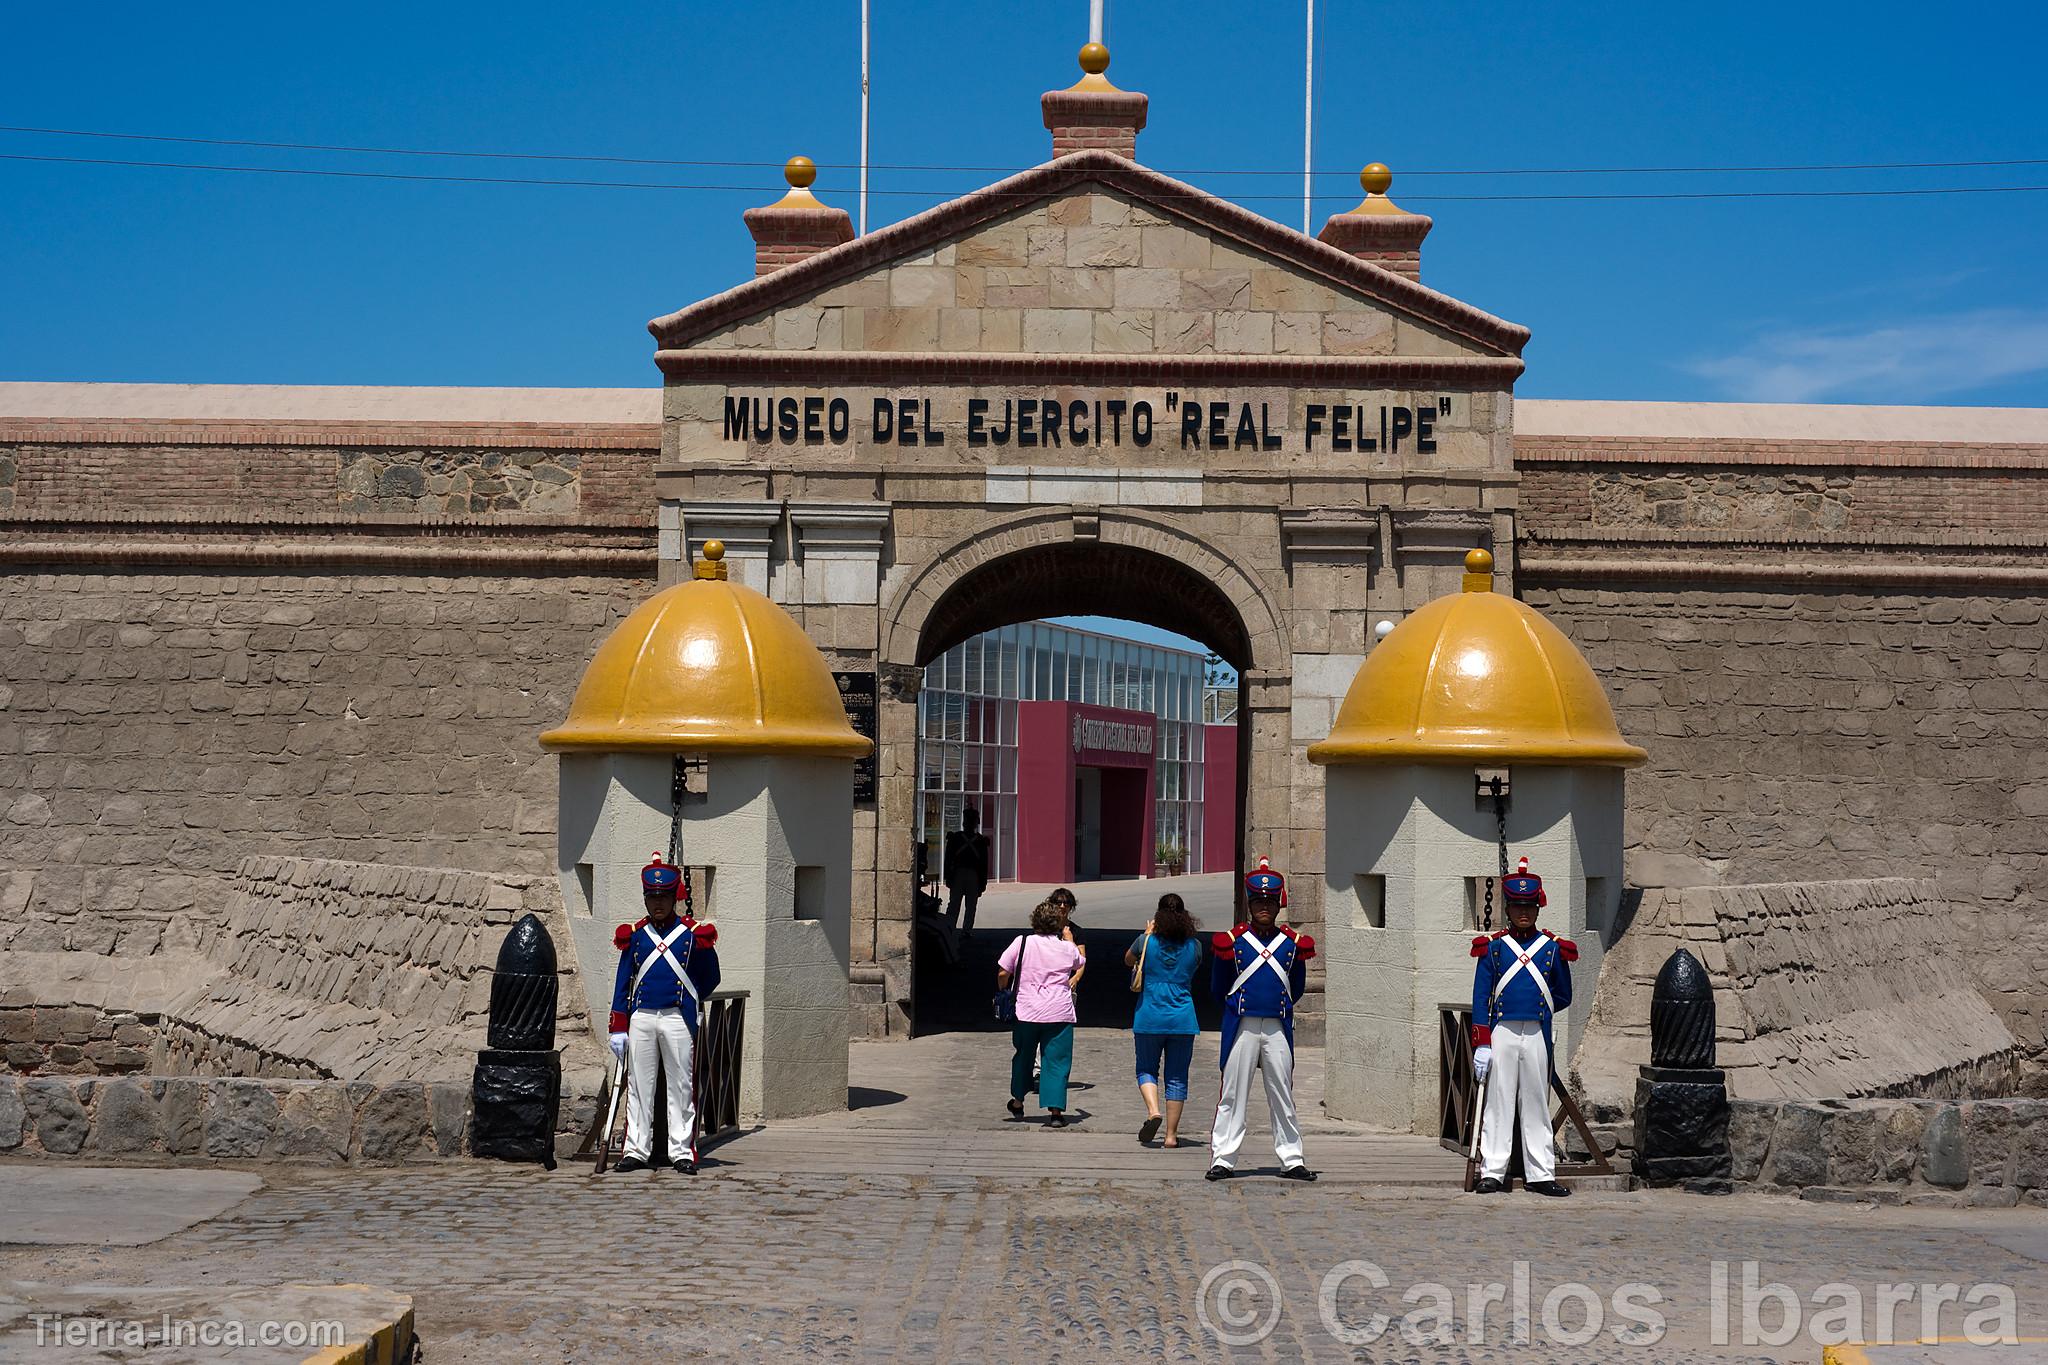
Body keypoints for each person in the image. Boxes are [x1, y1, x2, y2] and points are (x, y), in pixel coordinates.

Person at [1470, 856, 1576, 1197]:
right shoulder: (1495, 947)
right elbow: (1480, 996)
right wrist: (1482, 1042)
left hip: (1536, 1032)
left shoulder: (1552, 948)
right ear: (1509, 909)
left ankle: (1541, 1173)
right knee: (1498, 1102)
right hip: (1502, 1031)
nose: (1523, 913)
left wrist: (1539, 1011)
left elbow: (1562, 994)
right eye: (1517, 906)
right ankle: (1492, 1171)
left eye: (1528, 906)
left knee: (1536, 1103)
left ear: (1537, 907)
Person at [608, 853, 721, 1174]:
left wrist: (689, 1000)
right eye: (652, 898)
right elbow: (622, 982)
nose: (657, 904)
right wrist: (619, 1026)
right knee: (640, 1086)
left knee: (682, 1086)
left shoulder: (693, 934)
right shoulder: (635, 934)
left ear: (675, 898)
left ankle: (682, 1151)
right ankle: (635, 1150)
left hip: (677, 1017)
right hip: (642, 1016)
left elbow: (711, 976)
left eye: (664, 898)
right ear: (645, 898)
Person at [1207, 858, 1317, 1182]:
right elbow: (1218, 988)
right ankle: (1223, 1158)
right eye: (1258, 902)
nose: (1264, 907)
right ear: (1250, 904)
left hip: (1276, 1025)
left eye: (1269, 902)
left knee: (1282, 1092)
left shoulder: (1292, 944)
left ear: (1278, 904)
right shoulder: (1233, 942)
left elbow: (1295, 987)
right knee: (1233, 1093)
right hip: (1242, 1024)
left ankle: (1292, 1158)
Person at [1125, 892, 1203, 1147]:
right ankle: (1171, 1135)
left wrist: (1147, 936)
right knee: (1177, 1075)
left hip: (1150, 1015)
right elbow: (1194, 967)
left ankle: (1153, 1111)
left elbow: (1128, 960)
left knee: (1146, 1068)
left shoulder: (1146, 941)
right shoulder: (1195, 946)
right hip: (1182, 1017)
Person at [998, 901, 1085, 1127]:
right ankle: (1055, 1112)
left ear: (1034, 921)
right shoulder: (1066, 948)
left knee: (1023, 1056)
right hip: (1059, 1012)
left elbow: (1003, 972)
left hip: (1027, 1011)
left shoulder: (1022, 942)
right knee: (1056, 1061)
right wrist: (1070, 940)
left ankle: (1017, 1102)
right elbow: (1079, 962)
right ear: (1058, 924)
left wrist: (1004, 990)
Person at [943, 808, 990, 930]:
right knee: (970, 905)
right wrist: (982, 882)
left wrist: (947, 876)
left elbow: (948, 859)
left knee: (955, 904)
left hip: (960, 874)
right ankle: (966, 930)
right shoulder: (980, 841)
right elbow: (983, 864)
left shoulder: (956, 838)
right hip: (972, 875)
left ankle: (950, 928)